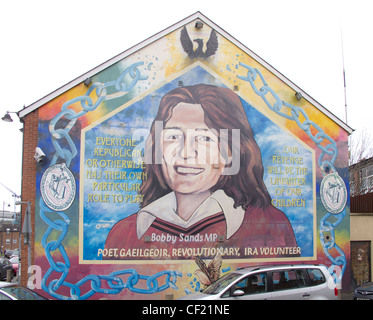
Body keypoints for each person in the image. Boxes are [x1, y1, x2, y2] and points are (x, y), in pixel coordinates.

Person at [104, 84, 298, 260]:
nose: (186, 153)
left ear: (230, 152)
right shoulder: (125, 233)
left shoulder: (270, 225)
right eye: (173, 136)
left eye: (205, 138)